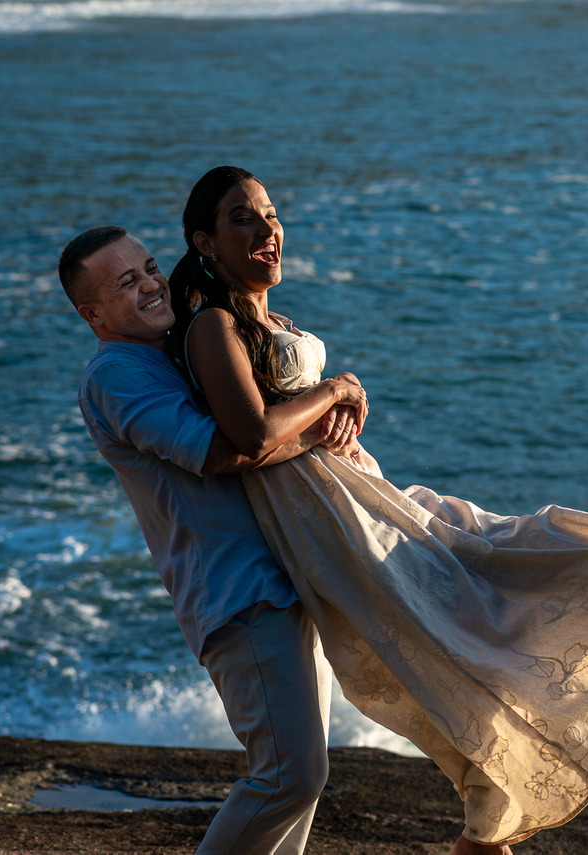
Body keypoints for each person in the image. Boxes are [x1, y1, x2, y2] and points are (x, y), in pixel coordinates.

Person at [164, 165, 588, 854]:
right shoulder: (211, 326)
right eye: (243, 218)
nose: (268, 228)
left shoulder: (267, 319)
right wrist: (336, 390)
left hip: (365, 493)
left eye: (272, 212)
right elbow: (248, 436)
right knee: (465, 627)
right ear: (205, 242)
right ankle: (490, 823)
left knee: (515, 545)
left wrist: (344, 400)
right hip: (330, 524)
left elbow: (283, 419)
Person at [59, 225, 369, 854]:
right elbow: (225, 450)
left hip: (283, 575)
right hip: (237, 591)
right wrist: (329, 395)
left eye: (149, 267)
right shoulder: (115, 375)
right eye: (127, 283)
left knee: (302, 782)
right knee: (289, 775)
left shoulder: (174, 350)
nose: (150, 284)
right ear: (93, 316)